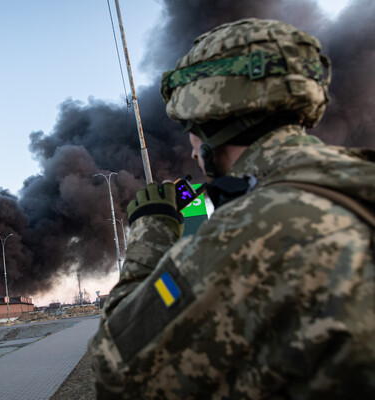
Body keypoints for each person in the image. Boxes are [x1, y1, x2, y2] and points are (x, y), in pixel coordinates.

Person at [89, 18, 375, 399]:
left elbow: (116, 370)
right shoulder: (354, 182)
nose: (191, 149)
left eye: (193, 129)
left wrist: (151, 230)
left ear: (217, 122)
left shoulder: (254, 230)